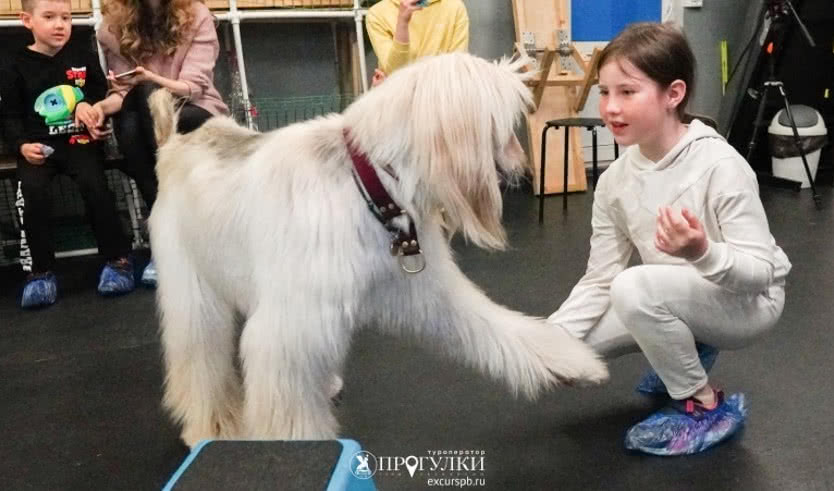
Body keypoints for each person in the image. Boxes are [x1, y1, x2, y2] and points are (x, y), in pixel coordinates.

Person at [546, 22, 791, 456]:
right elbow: (600, 278)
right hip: (681, 295)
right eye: (604, 92)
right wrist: (543, 344)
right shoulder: (614, 182)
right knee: (567, 356)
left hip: (752, 303)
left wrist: (701, 251)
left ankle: (702, 402)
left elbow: (759, 274)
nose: (611, 108)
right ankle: (689, 343)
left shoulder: (721, 165)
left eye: (628, 92)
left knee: (634, 287)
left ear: (673, 94)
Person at [0, 0, 136, 309]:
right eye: (49, 17)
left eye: (66, 17)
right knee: (32, 191)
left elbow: (101, 94)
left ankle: (118, 260)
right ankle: (40, 272)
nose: (60, 24)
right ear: (27, 20)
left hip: (79, 143)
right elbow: (9, 116)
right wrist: (21, 145)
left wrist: (93, 109)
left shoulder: (82, 56)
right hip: (37, 148)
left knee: (95, 185)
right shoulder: (14, 64)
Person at [94, 0, 229, 286]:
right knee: (132, 117)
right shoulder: (112, 27)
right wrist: (99, 108)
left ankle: (167, 241)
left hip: (194, 109)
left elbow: (193, 87)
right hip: (142, 118)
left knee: (146, 96)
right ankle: (175, 238)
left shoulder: (197, 15)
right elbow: (123, 95)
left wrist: (151, 80)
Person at [366, 0, 468, 86]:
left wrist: (393, 84)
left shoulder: (455, 7)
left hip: (440, 98)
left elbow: (456, 70)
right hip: (396, 101)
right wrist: (402, 23)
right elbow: (396, 73)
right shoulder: (377, 14)